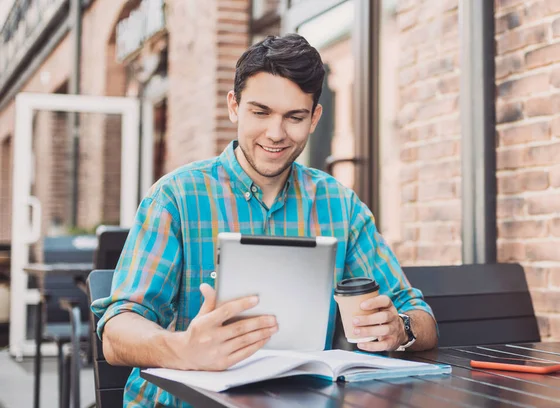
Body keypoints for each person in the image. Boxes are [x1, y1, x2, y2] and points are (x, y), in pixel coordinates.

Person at [91, 33, 438, 407]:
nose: (276, 134)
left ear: (315, 117)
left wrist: (399, 329)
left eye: (294, 117)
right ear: (234, 107)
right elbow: (117, 331)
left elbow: (421, 317)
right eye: (260, 112)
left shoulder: (340, 205)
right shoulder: (175, 197)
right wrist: (183, 348)